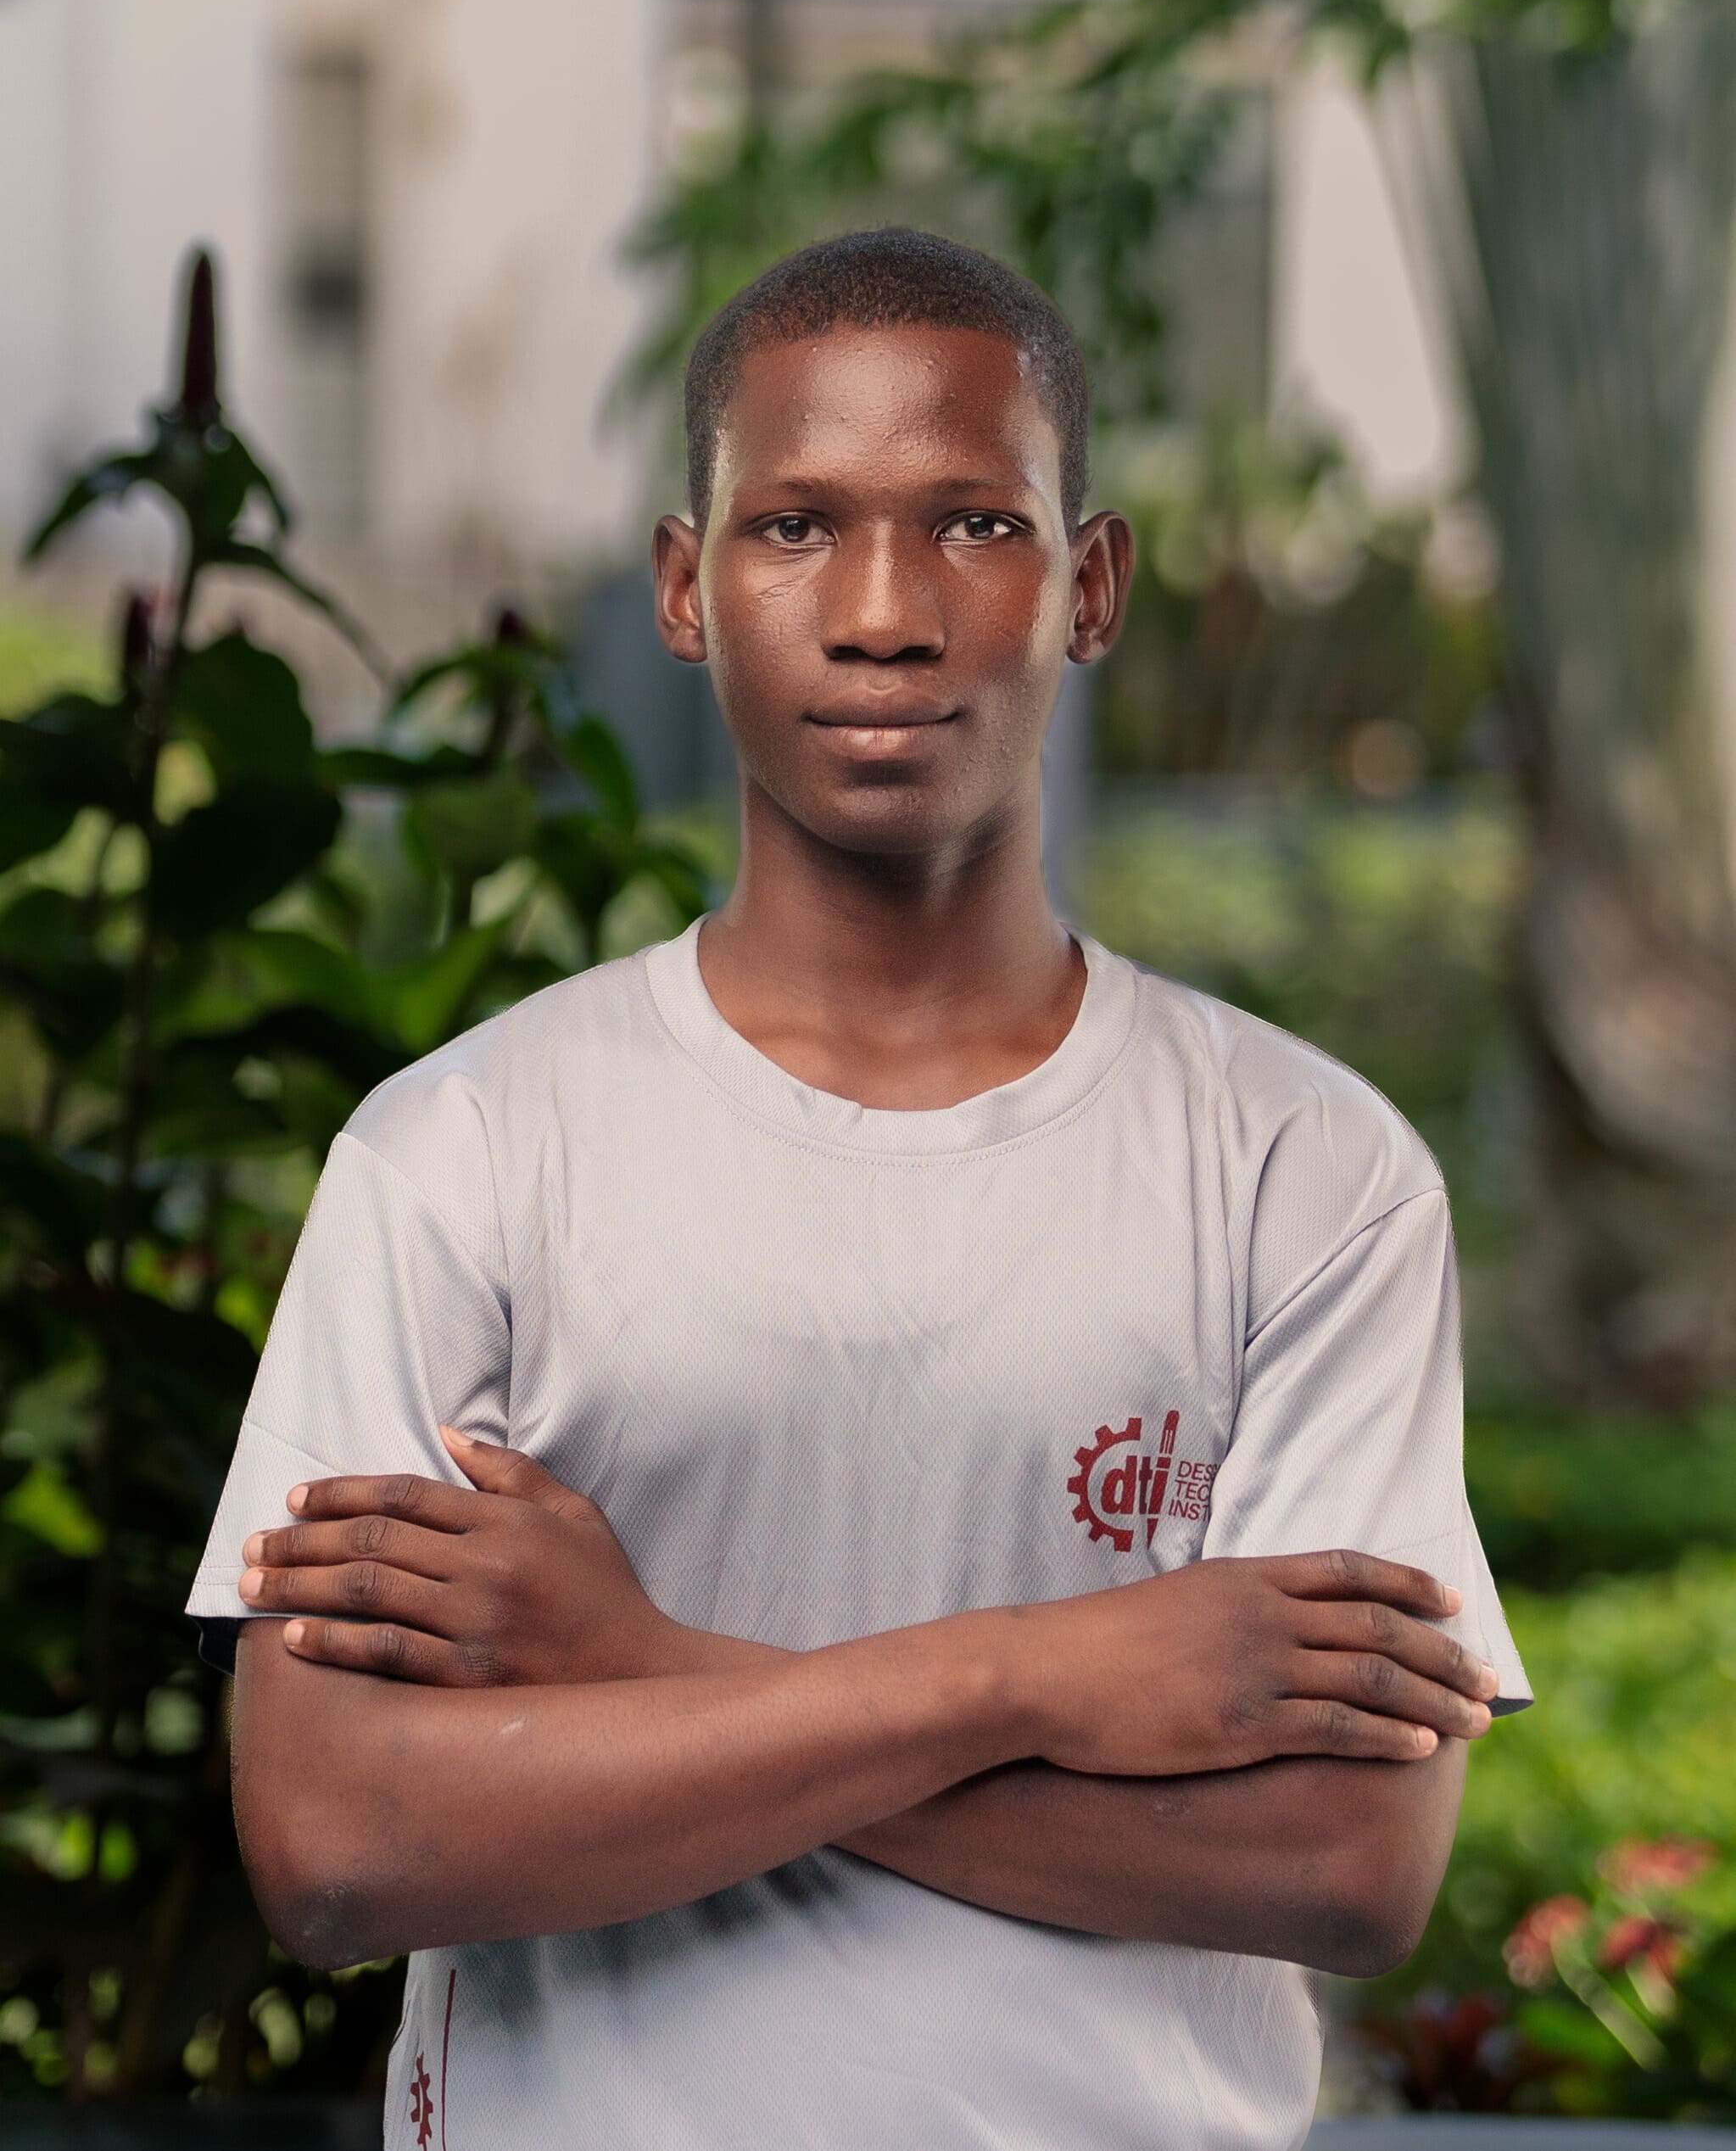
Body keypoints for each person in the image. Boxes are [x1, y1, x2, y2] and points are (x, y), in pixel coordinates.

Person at [188, 228, 1530, 2151]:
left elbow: (1338, 1861)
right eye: (796, 523)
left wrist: (640, 1669)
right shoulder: (460, 1152)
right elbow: (336, 1841)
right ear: (684, 585)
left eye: (974, 524)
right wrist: (1042, 1668)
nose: (884, 608)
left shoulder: (1307, 1175)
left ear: (1090, 584)